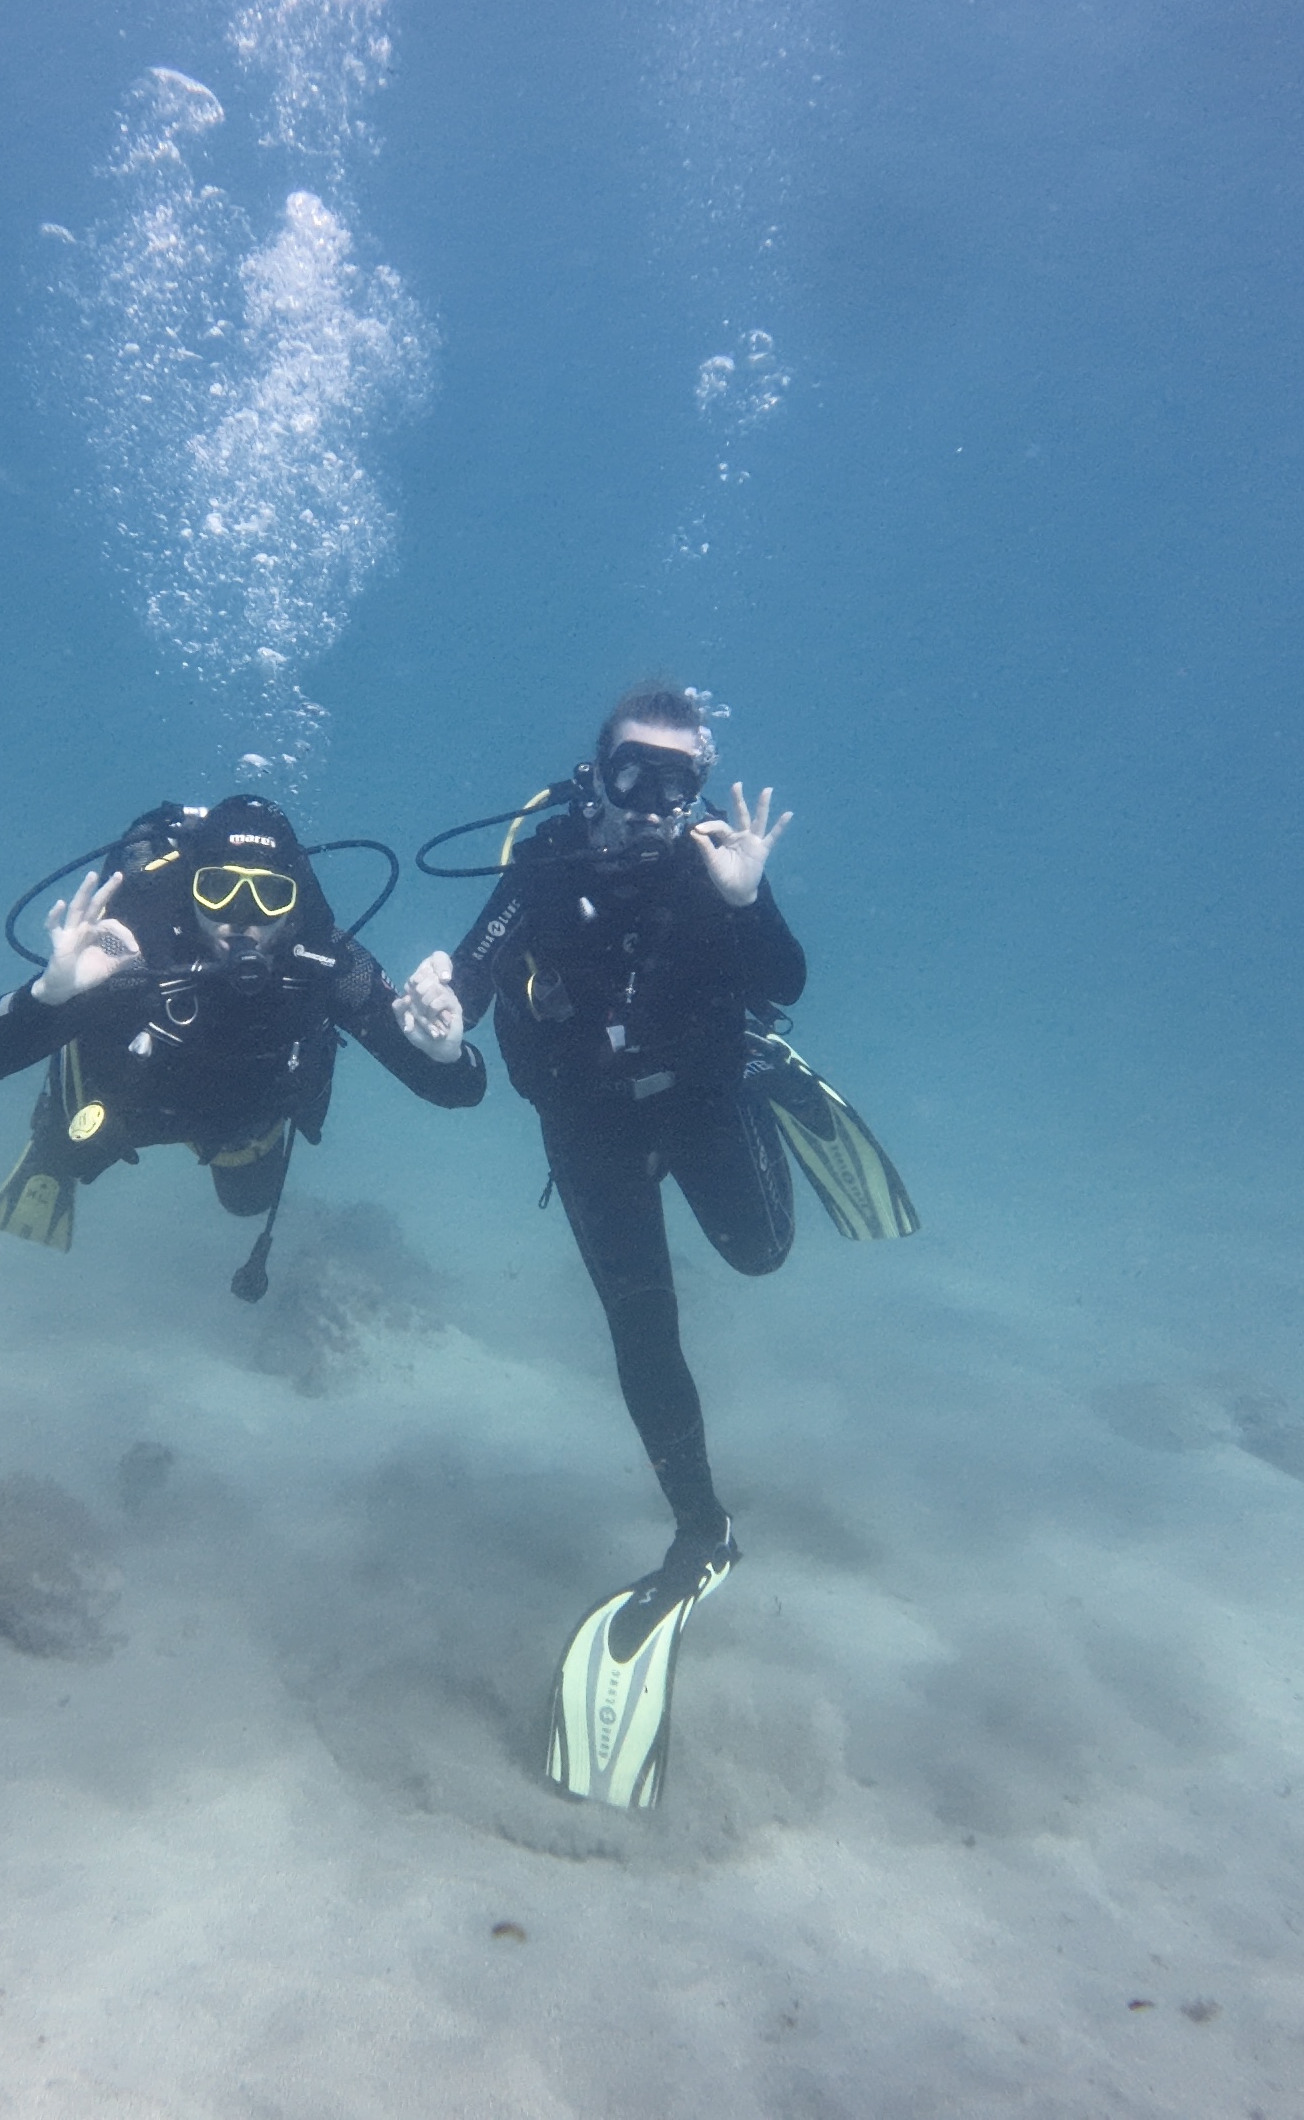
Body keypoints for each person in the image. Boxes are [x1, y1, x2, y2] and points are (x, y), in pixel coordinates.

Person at [403, 683, 909, 1807]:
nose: (654, 804)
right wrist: (440, 1014)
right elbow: (474, 971)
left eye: (679, 783)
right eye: (636, 776)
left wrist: (745, 898)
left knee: (762, 1254)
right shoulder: (539, 869)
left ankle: (775, 1075)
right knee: (642, 1328)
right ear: (597, 773)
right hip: (588, 1130)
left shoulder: (710, 866)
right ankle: (700, 1526)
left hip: (703, 1098)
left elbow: (782, 981)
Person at [0, 795, 481, 1296]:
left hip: (239, 1122)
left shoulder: (327, 964)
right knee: (72, 1154)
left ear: (294, 903)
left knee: (248, 1205)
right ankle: (55, 1126)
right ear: (191, 890)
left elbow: (463, 1090)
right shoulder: (132, 951)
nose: (243, 918)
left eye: (270, 895)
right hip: (126, 1101)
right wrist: (47, 996)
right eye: (220, 890)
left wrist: (446, 1055)